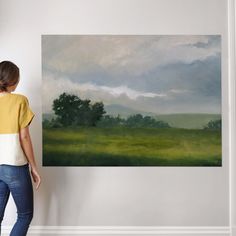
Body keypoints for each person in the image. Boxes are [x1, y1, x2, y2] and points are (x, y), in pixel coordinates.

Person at [0, 61, 41, 235]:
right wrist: (34, 167)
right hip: (14, 166)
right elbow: (24, 136)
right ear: (14, 80)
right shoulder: (20, 101)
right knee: (25, 215)